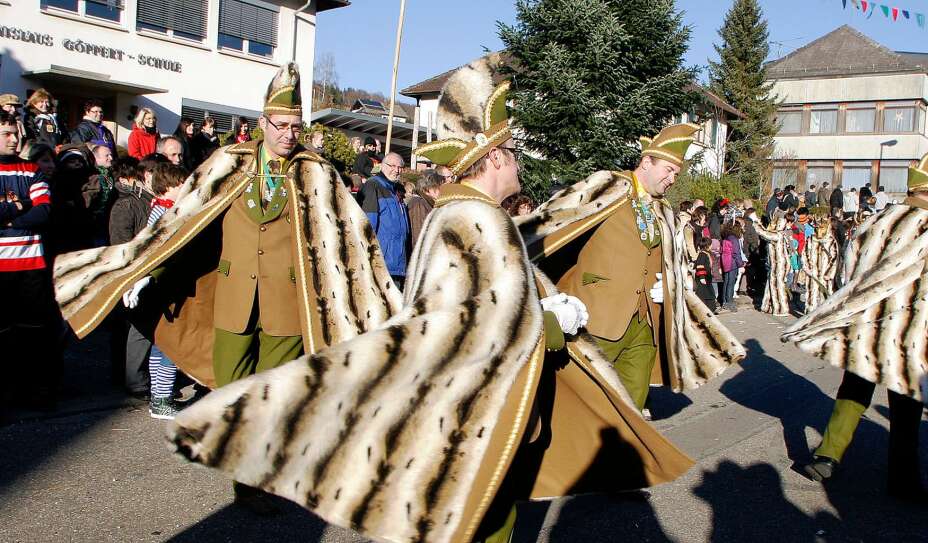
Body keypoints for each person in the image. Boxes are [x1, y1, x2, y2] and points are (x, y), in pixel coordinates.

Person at [168, 54, 692, 543]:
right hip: (474, 400)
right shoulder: (476, 218)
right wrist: (553, 325)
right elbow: (485, 321)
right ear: (491, 159)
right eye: (511, 151)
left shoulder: (459, 211)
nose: (518, 162)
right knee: (482, 509)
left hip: (422, 374)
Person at [53, 63, 399, 515]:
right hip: (232, 301)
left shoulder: (317, 174)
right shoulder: (228, 163)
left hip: (289, 305)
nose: (289, 134)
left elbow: (349, 239)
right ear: (261, 123)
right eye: (281, 125)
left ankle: (255, 483)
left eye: (296, 126)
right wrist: (146, 269)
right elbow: (183, 223)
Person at [788, 147, 928, 505]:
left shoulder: (875, 222)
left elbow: (848, 274)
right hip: (910, 335)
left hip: (867, 327)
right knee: (906, 411)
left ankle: (827, 456)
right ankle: (903, 481)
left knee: (854, 389)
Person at [527, 122, 745, 417]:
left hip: (645, 324)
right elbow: (551, 220)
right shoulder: (607, 186)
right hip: (597, 317)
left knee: (629, 415)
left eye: (676, 174)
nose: (671, 179)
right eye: (668, 170)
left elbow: (672, 260)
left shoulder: (664, 210)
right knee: (583, 412)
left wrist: (668, 284)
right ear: (646, 162)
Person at [0, 111, 63, 409]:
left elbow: (45, 211)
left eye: (15, 133)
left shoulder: (29, 169)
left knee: (33, 333)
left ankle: (34, 391)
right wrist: (23, 205)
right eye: (7, 134)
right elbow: (30, 209)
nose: (14, 139)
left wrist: (11, 210)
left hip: (31, 266)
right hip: (2, 269)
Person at [126, 162, 189, 419]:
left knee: (162, 343)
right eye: (181, 184)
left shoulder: (160, 210)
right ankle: (161, 398)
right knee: (169, 345)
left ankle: (159, 394)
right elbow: (158, 250)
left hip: (161, 286)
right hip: (164, 287)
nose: (186, 188)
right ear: (169, 187)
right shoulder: (164, 214)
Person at [108, 156, 159, 399]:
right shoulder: (127, 205)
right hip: (133, 273)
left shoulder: (155, 202)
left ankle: (139, 375)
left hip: (150, 273)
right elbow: (120, 245)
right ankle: (133, 379)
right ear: (146, 175)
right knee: (136, 326)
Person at [357, 151, 410, 289]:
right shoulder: (372, 187)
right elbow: (367, 228)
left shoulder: (397, 191)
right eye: (392, 165)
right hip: (380, 266)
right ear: (382, 166)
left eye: (400, 167)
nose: (396, 170)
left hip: (398, 266)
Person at [83, 142, 117, 245]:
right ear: (96, 158)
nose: (111, 158)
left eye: (111, 155)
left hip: (107, 220)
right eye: (107, 155)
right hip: (95, 222)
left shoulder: (110, 175)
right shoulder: (92, 177)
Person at [406, 168, 442, 248]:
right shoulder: (419, 204)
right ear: (427, 189)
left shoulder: (426, 202)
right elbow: (418, 237)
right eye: (437, 187)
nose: (441, 190)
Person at [720, 222, 743, 312]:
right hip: (732, 262)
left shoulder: (726, 237)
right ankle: (729, 301)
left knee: (726, 281)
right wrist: (740, 264)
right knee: (731, 282)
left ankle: (725, 301)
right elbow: (736, 253)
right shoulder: (734, 239)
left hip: (725, 261)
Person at [693, 237, 718, 311]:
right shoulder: (702, 255)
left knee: (708, 294)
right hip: (703, 278)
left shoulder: (706, 254)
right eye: (710, 245)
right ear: (706, 246)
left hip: (707, 278)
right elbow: (700, 266)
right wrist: (702, 277)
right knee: (703, 294)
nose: (711, 246)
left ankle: (710, 308)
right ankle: (704, 309)